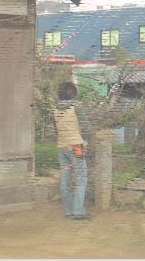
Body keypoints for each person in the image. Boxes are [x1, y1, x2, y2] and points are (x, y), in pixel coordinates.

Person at [54, 81, 91, 220]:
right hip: (76, 147)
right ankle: (79, 211)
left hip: (61, 147)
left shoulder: (56, 109)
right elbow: (86, 127)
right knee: (81, 179)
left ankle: (68, 211)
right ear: (74, 94)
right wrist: (84, 141)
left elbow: (55, 129)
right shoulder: (77, 107)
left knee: (65, 181)